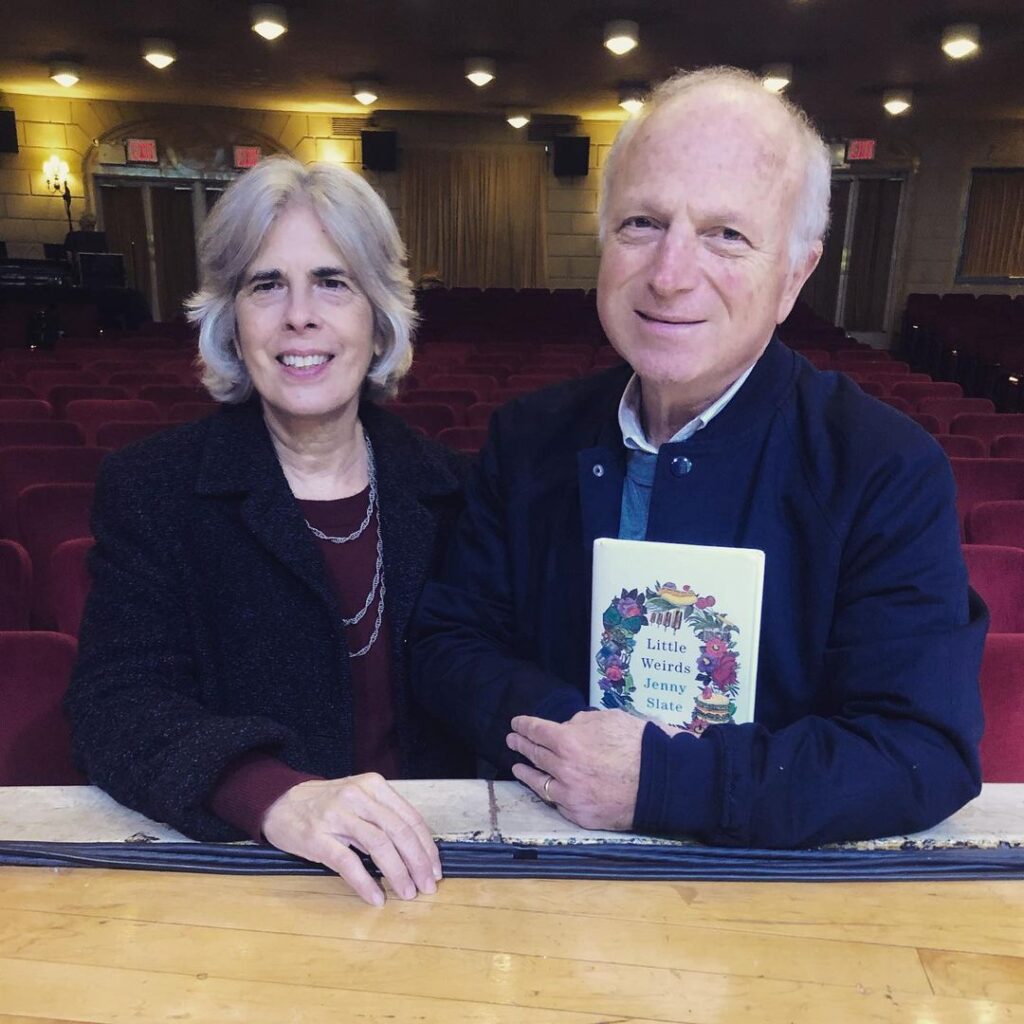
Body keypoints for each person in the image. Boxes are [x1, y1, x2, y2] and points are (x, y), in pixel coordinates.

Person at [411, 67, 987, 849]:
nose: (671, 275)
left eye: (727, 234)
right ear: (604, 237)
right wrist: (574, 740)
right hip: (550, 860)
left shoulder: (885, 467)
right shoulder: (528, 438)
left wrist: (661, 781)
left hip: (772, 897)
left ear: (794, 275)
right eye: (643, 223)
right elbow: (449, 645)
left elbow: (920, 752)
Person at [67, 155, 472, 905]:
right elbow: (114, 702)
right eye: (266, 285)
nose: (299, 316)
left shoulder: (458, 490)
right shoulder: (153, 488)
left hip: (439, 872)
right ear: (229, 316)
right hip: (249, 875)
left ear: (379, 315)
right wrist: (270, 794)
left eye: (332, 281)